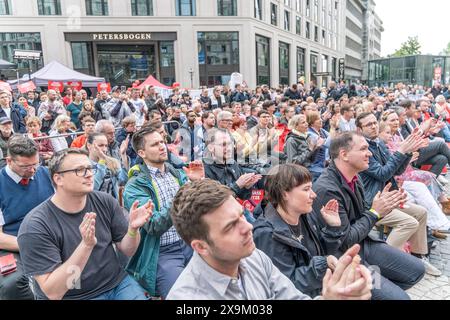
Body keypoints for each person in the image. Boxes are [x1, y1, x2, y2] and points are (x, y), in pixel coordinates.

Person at [167, 179, 372, 300]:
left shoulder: (255, 258)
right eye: (230, 226)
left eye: (241, 215)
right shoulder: (188, 297)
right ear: (201, 247)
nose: (248, 227)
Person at [17, 148, 153, 300]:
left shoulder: (105, 201)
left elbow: (128, 250)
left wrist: (133, 230)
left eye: (89, 168)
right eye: (79, 170)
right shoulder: (36, 226)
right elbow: (54, 292)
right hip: (75, 295)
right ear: (58, 179)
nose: (89, 174)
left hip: (117, 283)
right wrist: (86, 246)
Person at [312, 131, 426, 300]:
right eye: (364, 148)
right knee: (400, 298)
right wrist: (375, 212)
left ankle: (371, 291)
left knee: (416, 270)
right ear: (344, 155)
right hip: (342, 254)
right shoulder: (328, 189)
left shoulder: (354, 177)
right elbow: (345, 239)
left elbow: (363, 215)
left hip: (363, 243)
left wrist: (382, 207)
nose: (370, 153)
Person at [123, 126, 204, 298]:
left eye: (162, 142)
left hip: (189, 243)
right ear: (142, 153)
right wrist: (185, 190)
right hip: (162, 253)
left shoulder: (176, 173)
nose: (162, 147)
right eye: (154, 144)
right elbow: (154, 225)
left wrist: (198, 184)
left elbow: (198, 207)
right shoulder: (135, 186)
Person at [356, 112, 441, 275]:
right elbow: (382, 173)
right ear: (359, 130)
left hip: (387, 197)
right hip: (371, 202)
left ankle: (418, 257)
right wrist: (401, 150)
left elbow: (397, 171)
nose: (374, 126)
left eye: (375, 122)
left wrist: (407, 152)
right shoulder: (363, 149)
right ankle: (383, 261)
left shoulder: (378, 144)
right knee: (409, 222)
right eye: (369, 124)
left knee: (421, 212)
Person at [253, 164, 354, 298]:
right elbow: (286, 285)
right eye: (306, 189)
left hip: (321, 286)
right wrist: (323, 265)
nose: (313, 195)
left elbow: (323, 253)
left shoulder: (305, 214)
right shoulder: (268, 233)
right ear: (284, 194)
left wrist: (332, 228)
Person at [0, 135, 54, 300]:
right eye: (26, 166)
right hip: (13, 244)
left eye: (35, 163)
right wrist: (32, 244)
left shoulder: (46, 174)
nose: (33, 170)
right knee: (11, 284)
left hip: (51, 238)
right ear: (9, 161)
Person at [203, 128, 263, 201]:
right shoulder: (204, 169)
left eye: (230, 144)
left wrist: (246, 187)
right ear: (211, 147)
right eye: (223, 144)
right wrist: (237, 185)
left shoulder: (232, 163)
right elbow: (214, 201)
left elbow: (243, 197)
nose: (228, 148)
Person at [86, 133, 128, 200]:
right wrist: (102, 162)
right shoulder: (84, 165)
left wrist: (123, 156)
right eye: (100, 145)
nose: (104, 149)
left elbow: (123, 181)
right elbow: (94, 188)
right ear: (89, 145)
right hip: (94, 204)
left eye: (106, 146)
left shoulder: (112, 162)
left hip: (112, 203)